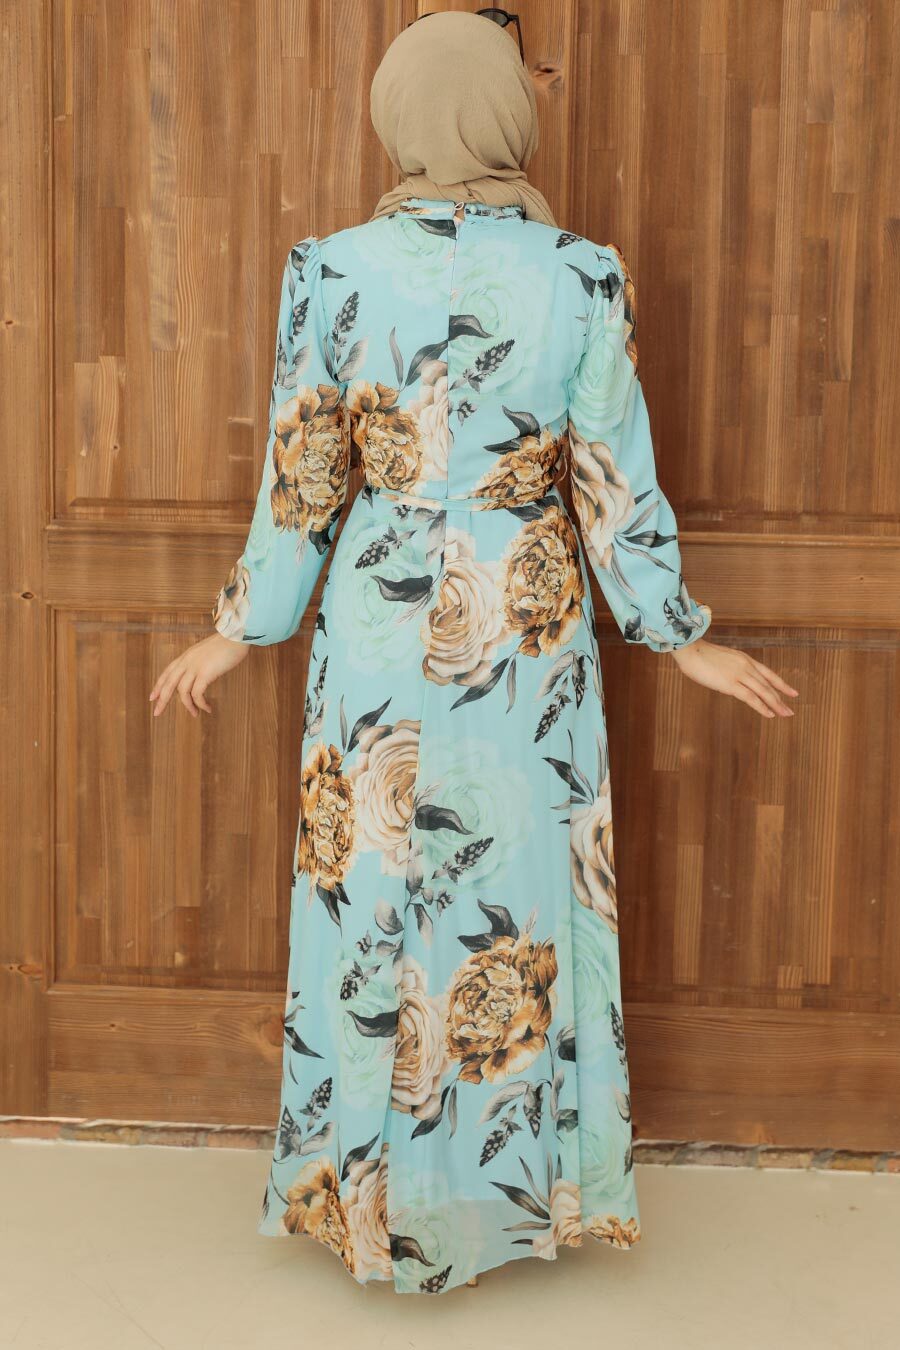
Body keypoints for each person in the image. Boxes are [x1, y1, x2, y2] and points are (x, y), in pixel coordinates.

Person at [149, 8, 798, 1296]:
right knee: (521, 923)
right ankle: (513, 1204)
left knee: (374, 906)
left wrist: (240, 630)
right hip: (527, 631)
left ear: (399, 111)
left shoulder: (329, 270)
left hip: (376, 634)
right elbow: (612, 477)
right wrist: (678, 636)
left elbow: (303, 477)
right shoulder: (583, 274)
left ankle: (370, 1208)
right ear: (505, 109)